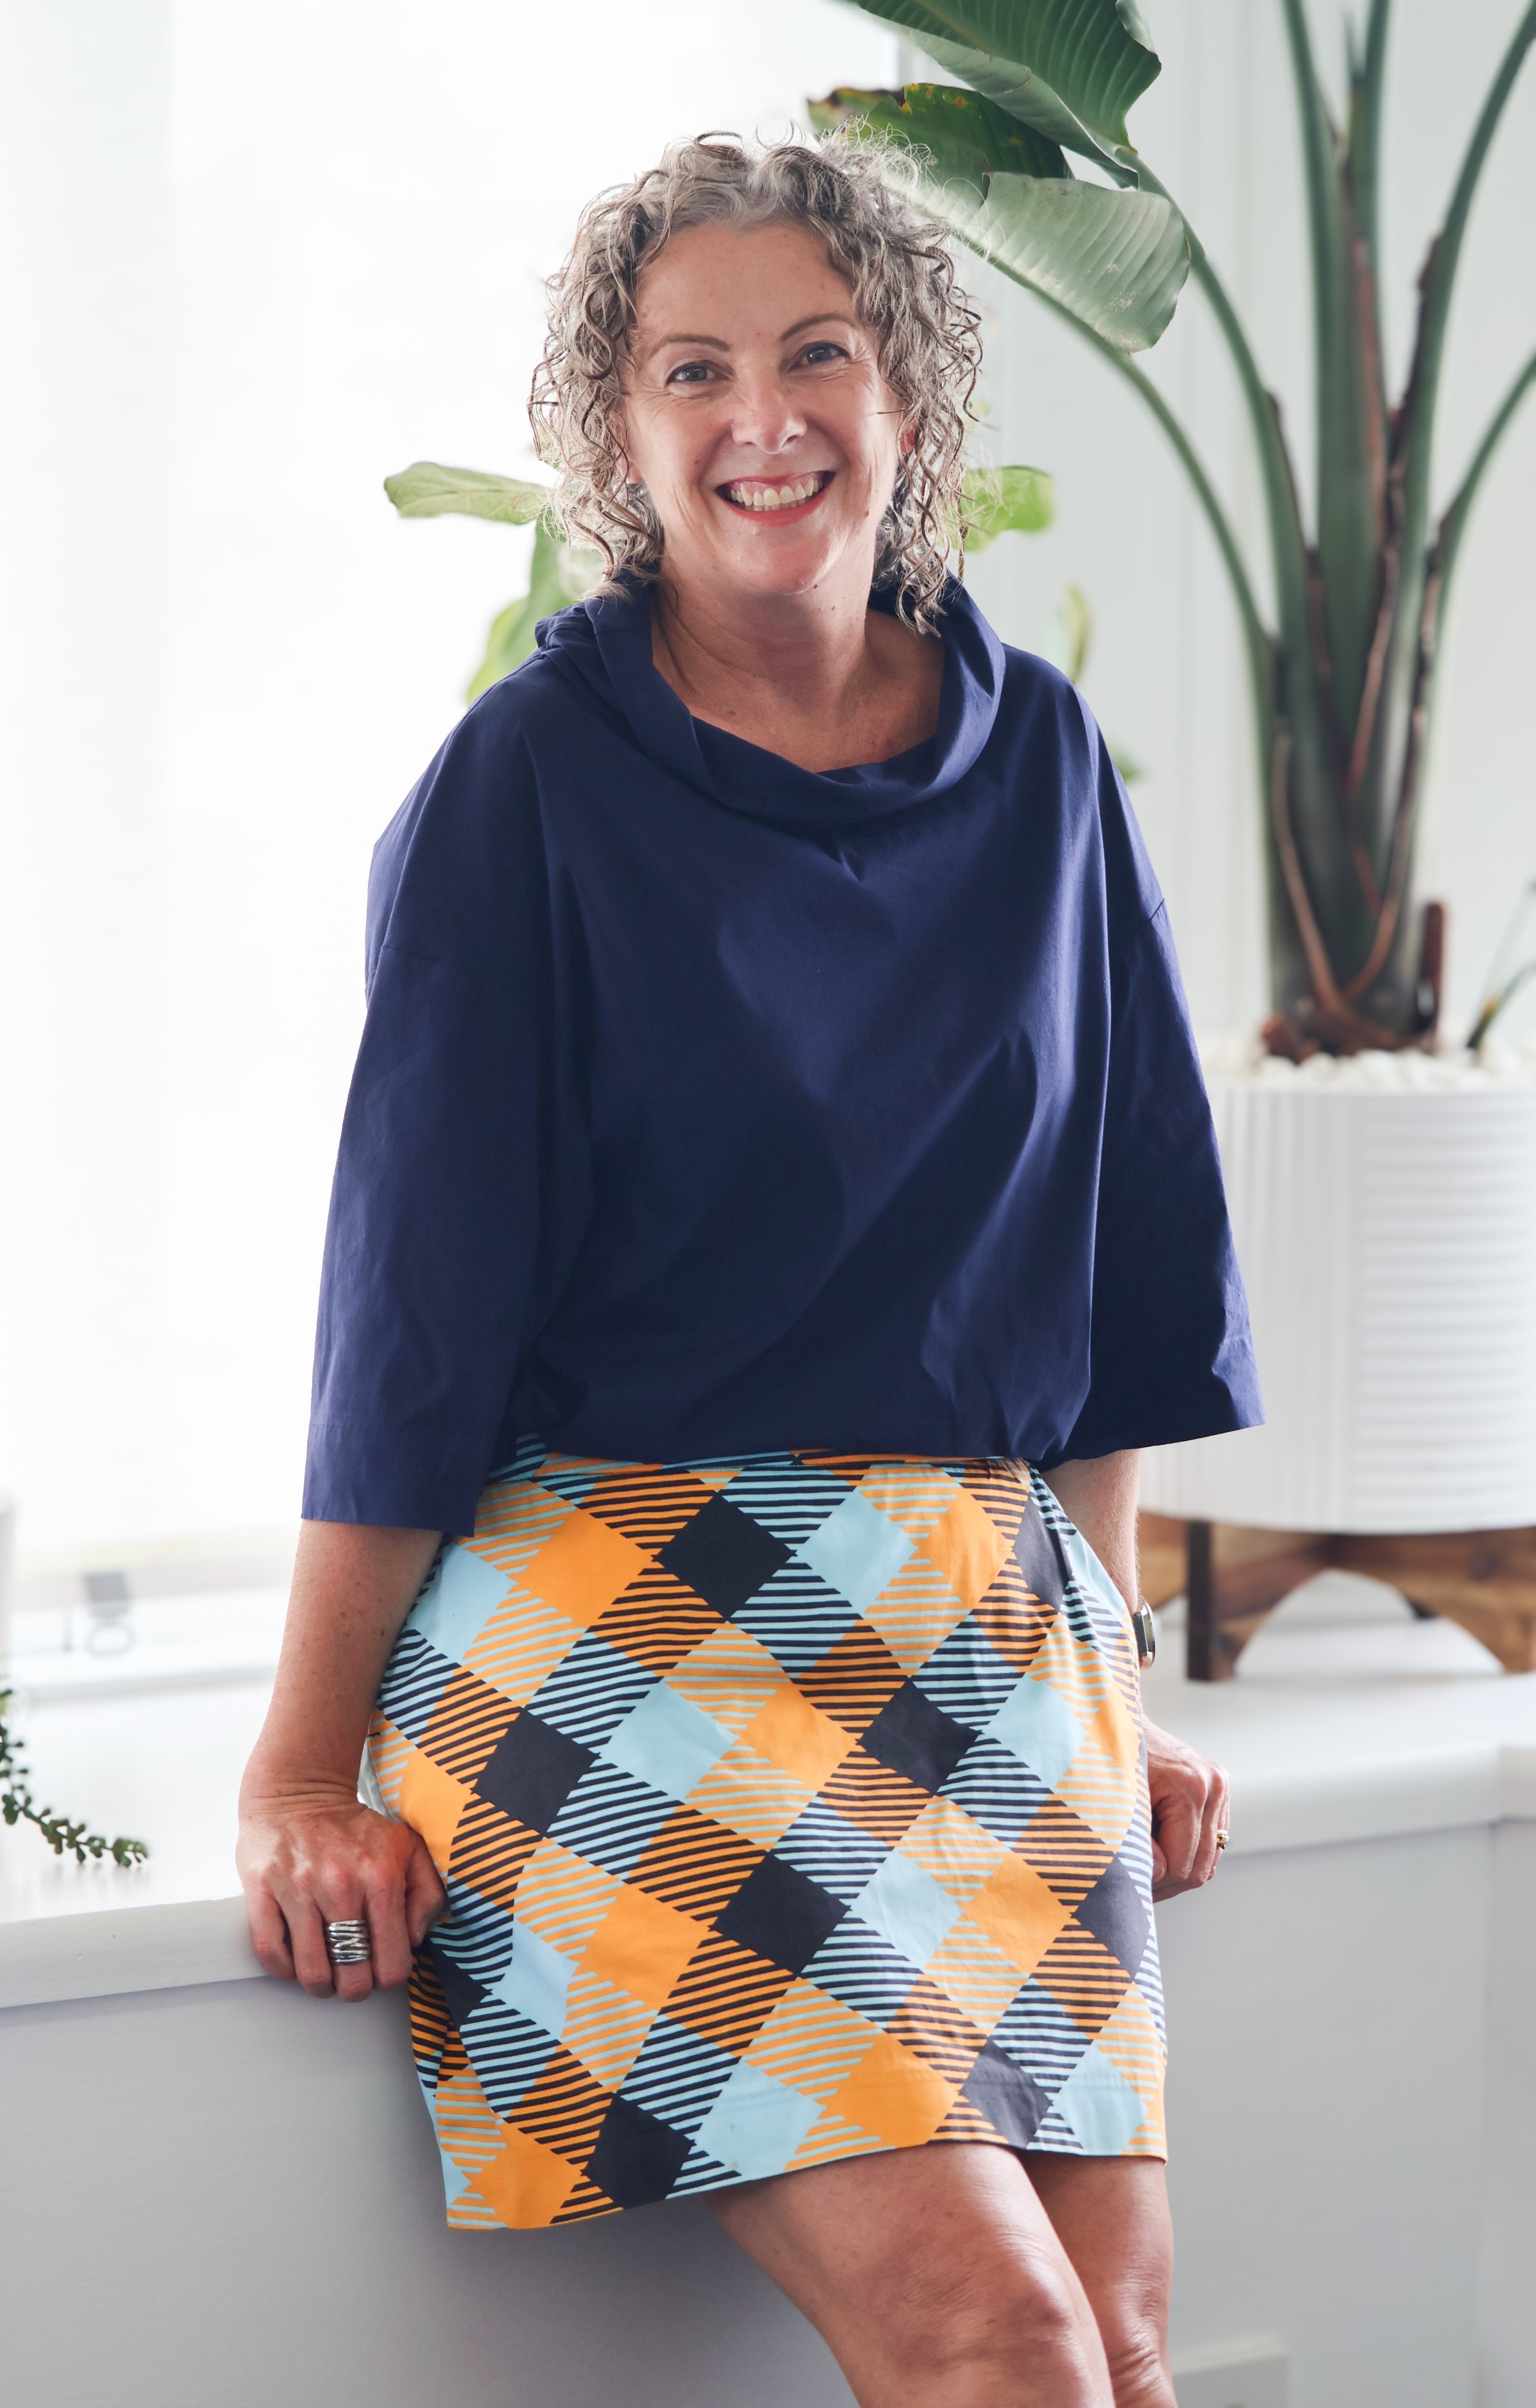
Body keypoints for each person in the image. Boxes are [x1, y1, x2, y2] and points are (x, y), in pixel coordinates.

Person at [237, 132, 1258, 2408]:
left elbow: (1103, 1264)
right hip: (616, 1611)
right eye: (688, 369)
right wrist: (305, 1759)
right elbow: (408, 1309)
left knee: (1119, 2344)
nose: (758, 416)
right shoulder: (526, 784)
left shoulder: (1047, 766)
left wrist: (1099, 1665)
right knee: (995, 2340)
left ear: (912, 406)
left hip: (973, 1623)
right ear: (618, 435)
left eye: (817, 355)